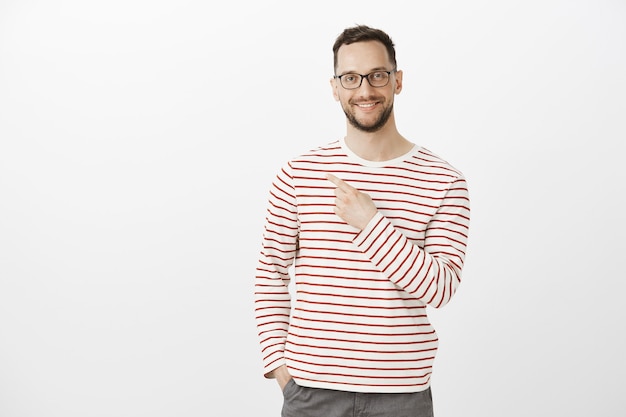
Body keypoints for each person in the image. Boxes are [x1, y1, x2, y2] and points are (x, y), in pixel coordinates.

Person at [254, 24, 470, 417]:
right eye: (351, 78)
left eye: (378, 75)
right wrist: (278, 366)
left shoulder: (444, 181)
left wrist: (371, 223)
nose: (365, 90)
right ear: (335, 87)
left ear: (397, 81)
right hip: (310, 392)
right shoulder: (299, 173)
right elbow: (271, 270)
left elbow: (440, 290)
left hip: (402, 395)